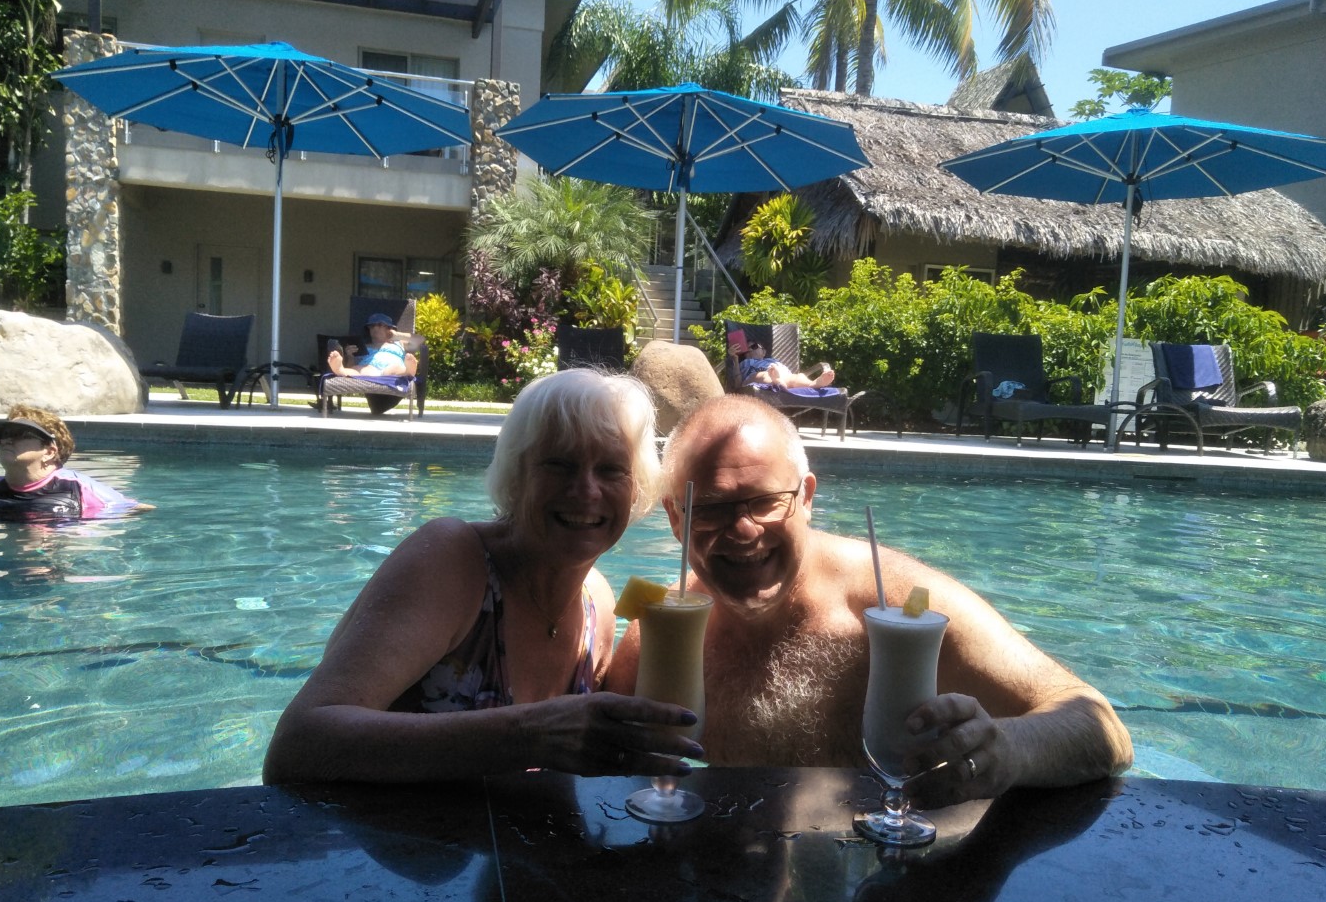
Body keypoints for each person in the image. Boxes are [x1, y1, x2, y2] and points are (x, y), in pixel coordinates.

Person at [613, 395, 1133, 809]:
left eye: (766, 501)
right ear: (676, 518)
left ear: (806, 497)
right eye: (710, 509)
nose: (743, 531)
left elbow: (1100, 724)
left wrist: (1007, 749)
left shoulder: (901, 606)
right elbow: (606, 768)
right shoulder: (658, 638)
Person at [263, 368, 702, 785]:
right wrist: (529, 735)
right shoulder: (452, 562)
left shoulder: (598, 605)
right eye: (559, 464)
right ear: (517, 475)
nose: (586, 490)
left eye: (611, 470)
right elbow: (296, 747)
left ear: (636, 487)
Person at [0, 405, 151, 521]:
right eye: (4, 434)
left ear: (49, 452)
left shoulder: (77, 489)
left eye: (19, 434)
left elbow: (139, 508)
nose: (7, 440)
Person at [326, 312, 418, 378]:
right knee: (360, 369)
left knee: (395, 369)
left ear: (389, 328)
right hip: (370, 369)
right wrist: (350, 356)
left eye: (380, 325)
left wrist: (397, 335)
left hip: (393, 367)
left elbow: (420, 340)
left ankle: (408, 372)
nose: (375, 328)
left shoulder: (399, 343)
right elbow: (352, 366)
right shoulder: (363, 346)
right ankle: (340, 370)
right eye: (372, 326)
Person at [731, 338, 836, 389]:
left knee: (797, 376)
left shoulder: (773, 361)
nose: (749, 349)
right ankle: (776, 382)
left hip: (783, 377)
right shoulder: (743, 363)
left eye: (754, 346)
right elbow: (737, 385)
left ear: (763, 352)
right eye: (746, 349)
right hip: (756, 378)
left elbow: (789, 375)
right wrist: (735, 358)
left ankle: (814, 384)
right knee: (763, 375)